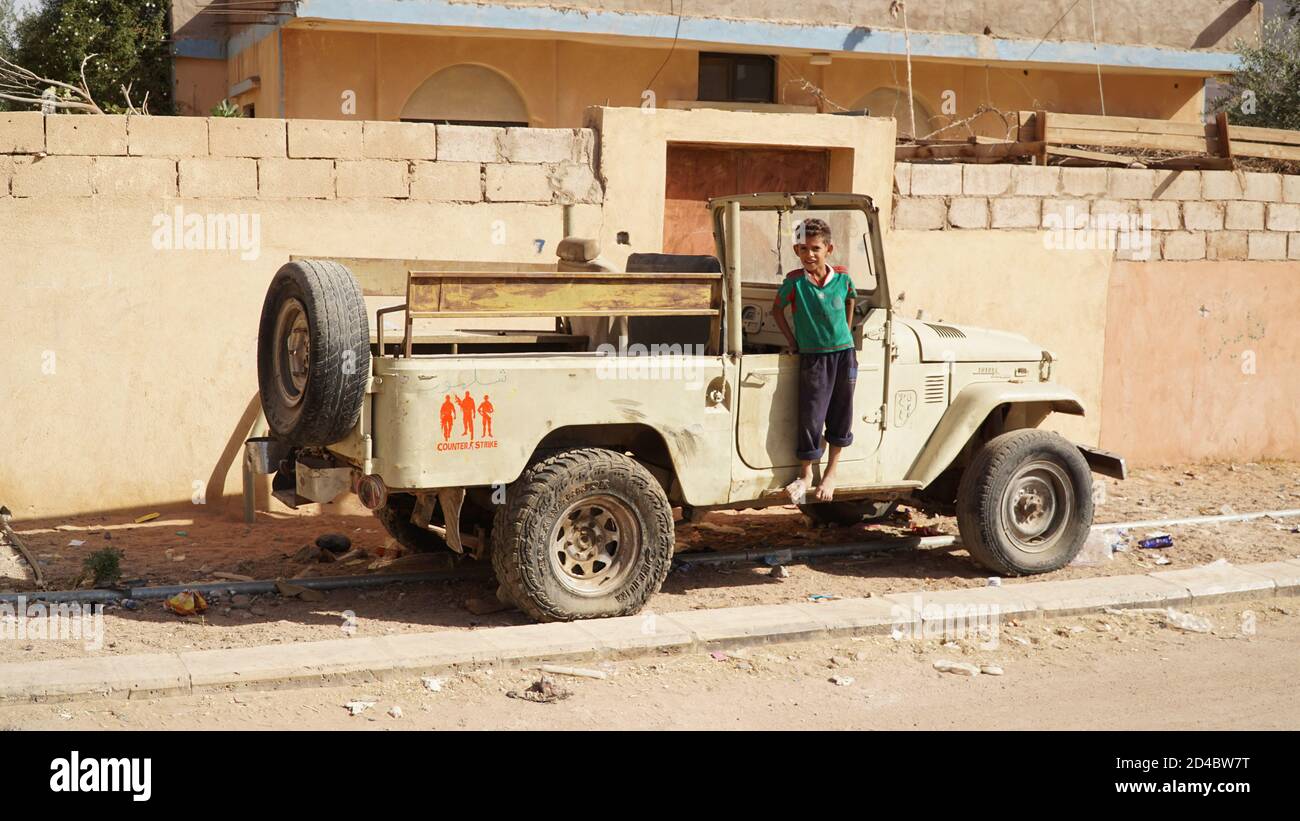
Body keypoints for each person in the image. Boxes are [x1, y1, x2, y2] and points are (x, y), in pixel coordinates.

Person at [771, 218, 857, 503]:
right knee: (811, 416)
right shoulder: (795, 283)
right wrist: (793, 342)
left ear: (828, 249)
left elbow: (851, 299)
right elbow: (776, 309)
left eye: (816, 248)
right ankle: (806, 473)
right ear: (797, 251)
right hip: (813, 358)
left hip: (844, 355)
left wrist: (845, 330)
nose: (810, 254)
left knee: (841, 413)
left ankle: (832, 472)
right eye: (804, 249)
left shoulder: (843, 278)